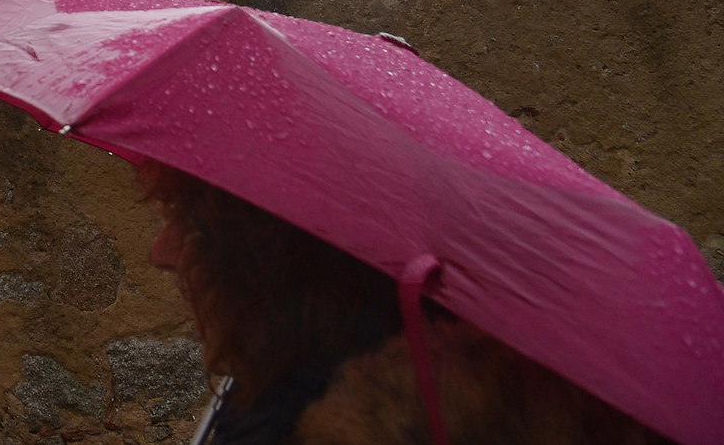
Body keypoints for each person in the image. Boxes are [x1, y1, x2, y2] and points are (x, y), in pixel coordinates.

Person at [138, 163, 666, 445]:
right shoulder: (269, 388)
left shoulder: (342, 418)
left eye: (195, 224)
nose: (160, 251)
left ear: (270, 260)